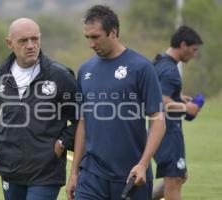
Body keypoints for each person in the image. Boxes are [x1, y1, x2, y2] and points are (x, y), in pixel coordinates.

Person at [66, 5, 166, 200]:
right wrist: (74, 172)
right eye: (87, 37)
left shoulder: (141, 67)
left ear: (114, 32)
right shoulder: (85, 70)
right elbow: (83, 123)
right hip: (91, 175)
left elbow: (158, 118)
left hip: (131, 174)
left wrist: (143, 164)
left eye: (95, 37)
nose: (91, 43)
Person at [0, 18, 77, 200]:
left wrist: (63, 142)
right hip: (10, 169)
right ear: (9, 43)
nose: (30, 45)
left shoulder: (60, 75)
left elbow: (81, 118)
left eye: (34, 39)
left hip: (46, 171)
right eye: (23, 41)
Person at [152, 25, 203, 200]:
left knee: (179, 176)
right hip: (167, 132)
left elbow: (159, 92)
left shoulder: (160, 62)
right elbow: (161, 101)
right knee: (174, 180)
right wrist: (186, 108)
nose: (194, 54)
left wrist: (179, 98)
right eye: (194, 49)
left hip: (158, 130)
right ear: (183, 45)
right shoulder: (170, 71)